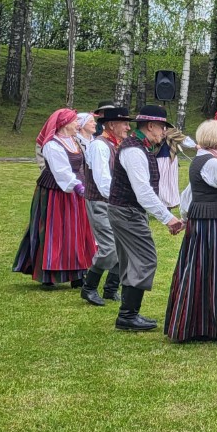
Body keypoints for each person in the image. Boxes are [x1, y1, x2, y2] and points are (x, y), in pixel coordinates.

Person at [162, 120, 217, 345]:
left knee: (201, 273)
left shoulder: (200, 160)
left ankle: (200, 324)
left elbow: (188, 194)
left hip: (200, 225)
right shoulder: (214, 164)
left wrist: (184, 217)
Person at [108, 105, 186, 332]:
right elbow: (143, 192)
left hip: (126, 210)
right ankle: (128, 315)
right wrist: (167, 218)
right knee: (145, 259)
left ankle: (127, 314)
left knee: (132, 260)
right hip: (126, 211)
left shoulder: (140, 147)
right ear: (151, 126)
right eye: (162, 127)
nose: (164, 132)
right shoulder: (134, 150)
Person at [14, 109, 98, 289]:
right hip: (55, 192)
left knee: (77, 230)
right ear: (64, 124)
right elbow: (62, 171)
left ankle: (78, 274)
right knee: (54, 230)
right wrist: (77, 187)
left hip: (76, 190)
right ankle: (48, 275)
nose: (77, 124)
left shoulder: (74, 141)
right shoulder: (52, 145)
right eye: (74, 121)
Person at [80, 107, 132, 307]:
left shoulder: (115, 144)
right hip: (101, 202)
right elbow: (103, 181)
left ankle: (110, 288)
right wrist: (119, 199)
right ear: (111, 125)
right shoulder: (100, 146)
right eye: (124, 124)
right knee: (109, 247)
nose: (128, 127)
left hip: (113, 202)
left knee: (122, 245)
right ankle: (89, 287)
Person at [155, 127, 197, 209]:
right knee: (160, 182)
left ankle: (168, 205)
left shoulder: (170, 130)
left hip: (171, 160)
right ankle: (160, 204)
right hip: (158, 159)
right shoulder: (154, 129)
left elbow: (182, 139)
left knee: (170, 183)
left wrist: (195, 146)